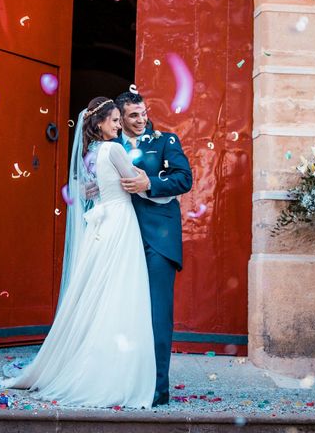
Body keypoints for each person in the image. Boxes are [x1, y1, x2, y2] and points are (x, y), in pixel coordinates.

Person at [0, 97, 156, 408]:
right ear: (99, 124)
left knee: (96, 292)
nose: (118, 125)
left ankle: (87, 357)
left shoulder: (90, 153)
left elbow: (88, 189)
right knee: (121, 291)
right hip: (119, 221)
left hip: (100, 223)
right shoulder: (113, 149)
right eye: (113, 120)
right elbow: (133, 181)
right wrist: (149, 175)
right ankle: (110, 371)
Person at [113, 91, 193, 407]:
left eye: (143, 113)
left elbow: (184, 179)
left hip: (157, 239)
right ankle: (122, 380)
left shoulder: (166, 142)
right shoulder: (111, 146)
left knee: (158, 314)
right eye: (133, 115)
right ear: (120, 117)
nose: (141, 119)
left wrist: (150, 184)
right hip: (120, 237)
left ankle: (158, 388)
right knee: (121, 312)